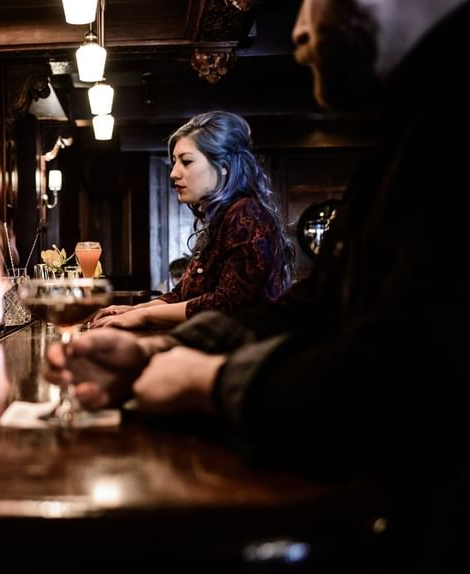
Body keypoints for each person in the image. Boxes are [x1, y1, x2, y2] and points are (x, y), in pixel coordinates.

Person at [47, 0, 469, 568]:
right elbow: (311, 310)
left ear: (223, 165)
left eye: (310, 0)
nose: (297, 28)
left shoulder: (452, 125)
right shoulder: (411, 127)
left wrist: (205, 375)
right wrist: (162, 349)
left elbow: (403, 377)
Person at [90, 111, 295, 329]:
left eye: (186, 162)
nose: (173, 173)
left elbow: (229, 304)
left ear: (224, 165)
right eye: (174, 161)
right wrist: (136, 310)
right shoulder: (225, 215)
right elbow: (186, 293)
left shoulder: (246, 214)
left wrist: (145, 316)